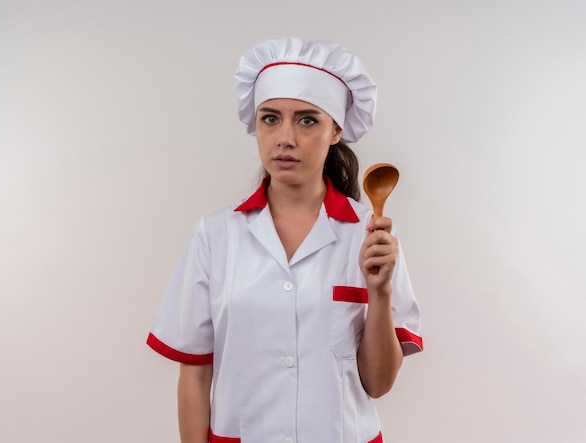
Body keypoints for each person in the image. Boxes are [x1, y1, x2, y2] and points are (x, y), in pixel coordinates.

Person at [147, 37, 423, 443]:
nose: (285, 138)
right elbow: (195, 374)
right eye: (270, 118)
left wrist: (379, 293)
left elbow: (378, 384)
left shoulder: (371, 233)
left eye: (307, 120)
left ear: (336, 131)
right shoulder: (216, 235)